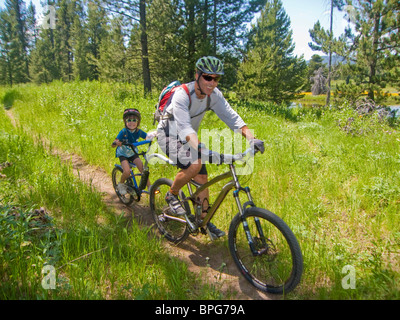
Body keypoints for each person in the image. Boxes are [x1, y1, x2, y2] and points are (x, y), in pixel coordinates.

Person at [157, 56, 264, 239]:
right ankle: (172, 194)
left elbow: (232, 117)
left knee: (203, 177)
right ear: (197, 75)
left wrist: (252, 138)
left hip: (188, 138)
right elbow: (184, 128)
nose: (212, 83)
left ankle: (203, 221)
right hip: (168, 135)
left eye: (217, 78)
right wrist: (201, 148)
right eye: (208, 77)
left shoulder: (213, 96)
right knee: (195, 164)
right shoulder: (182, 94)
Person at [112, 108, 153, 194]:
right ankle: (121, 185)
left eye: (134, 120)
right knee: (126, 171)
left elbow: (147, 137)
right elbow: (114, 143)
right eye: (129, 120)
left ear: (138, 122)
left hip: (132, 153)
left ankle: (150, 187)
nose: (131, 122)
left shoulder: (138, 131)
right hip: (123, 154)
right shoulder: (123, 131)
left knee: (143, 169)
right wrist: (116, 143)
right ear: (125, 121)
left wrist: (154, 136)